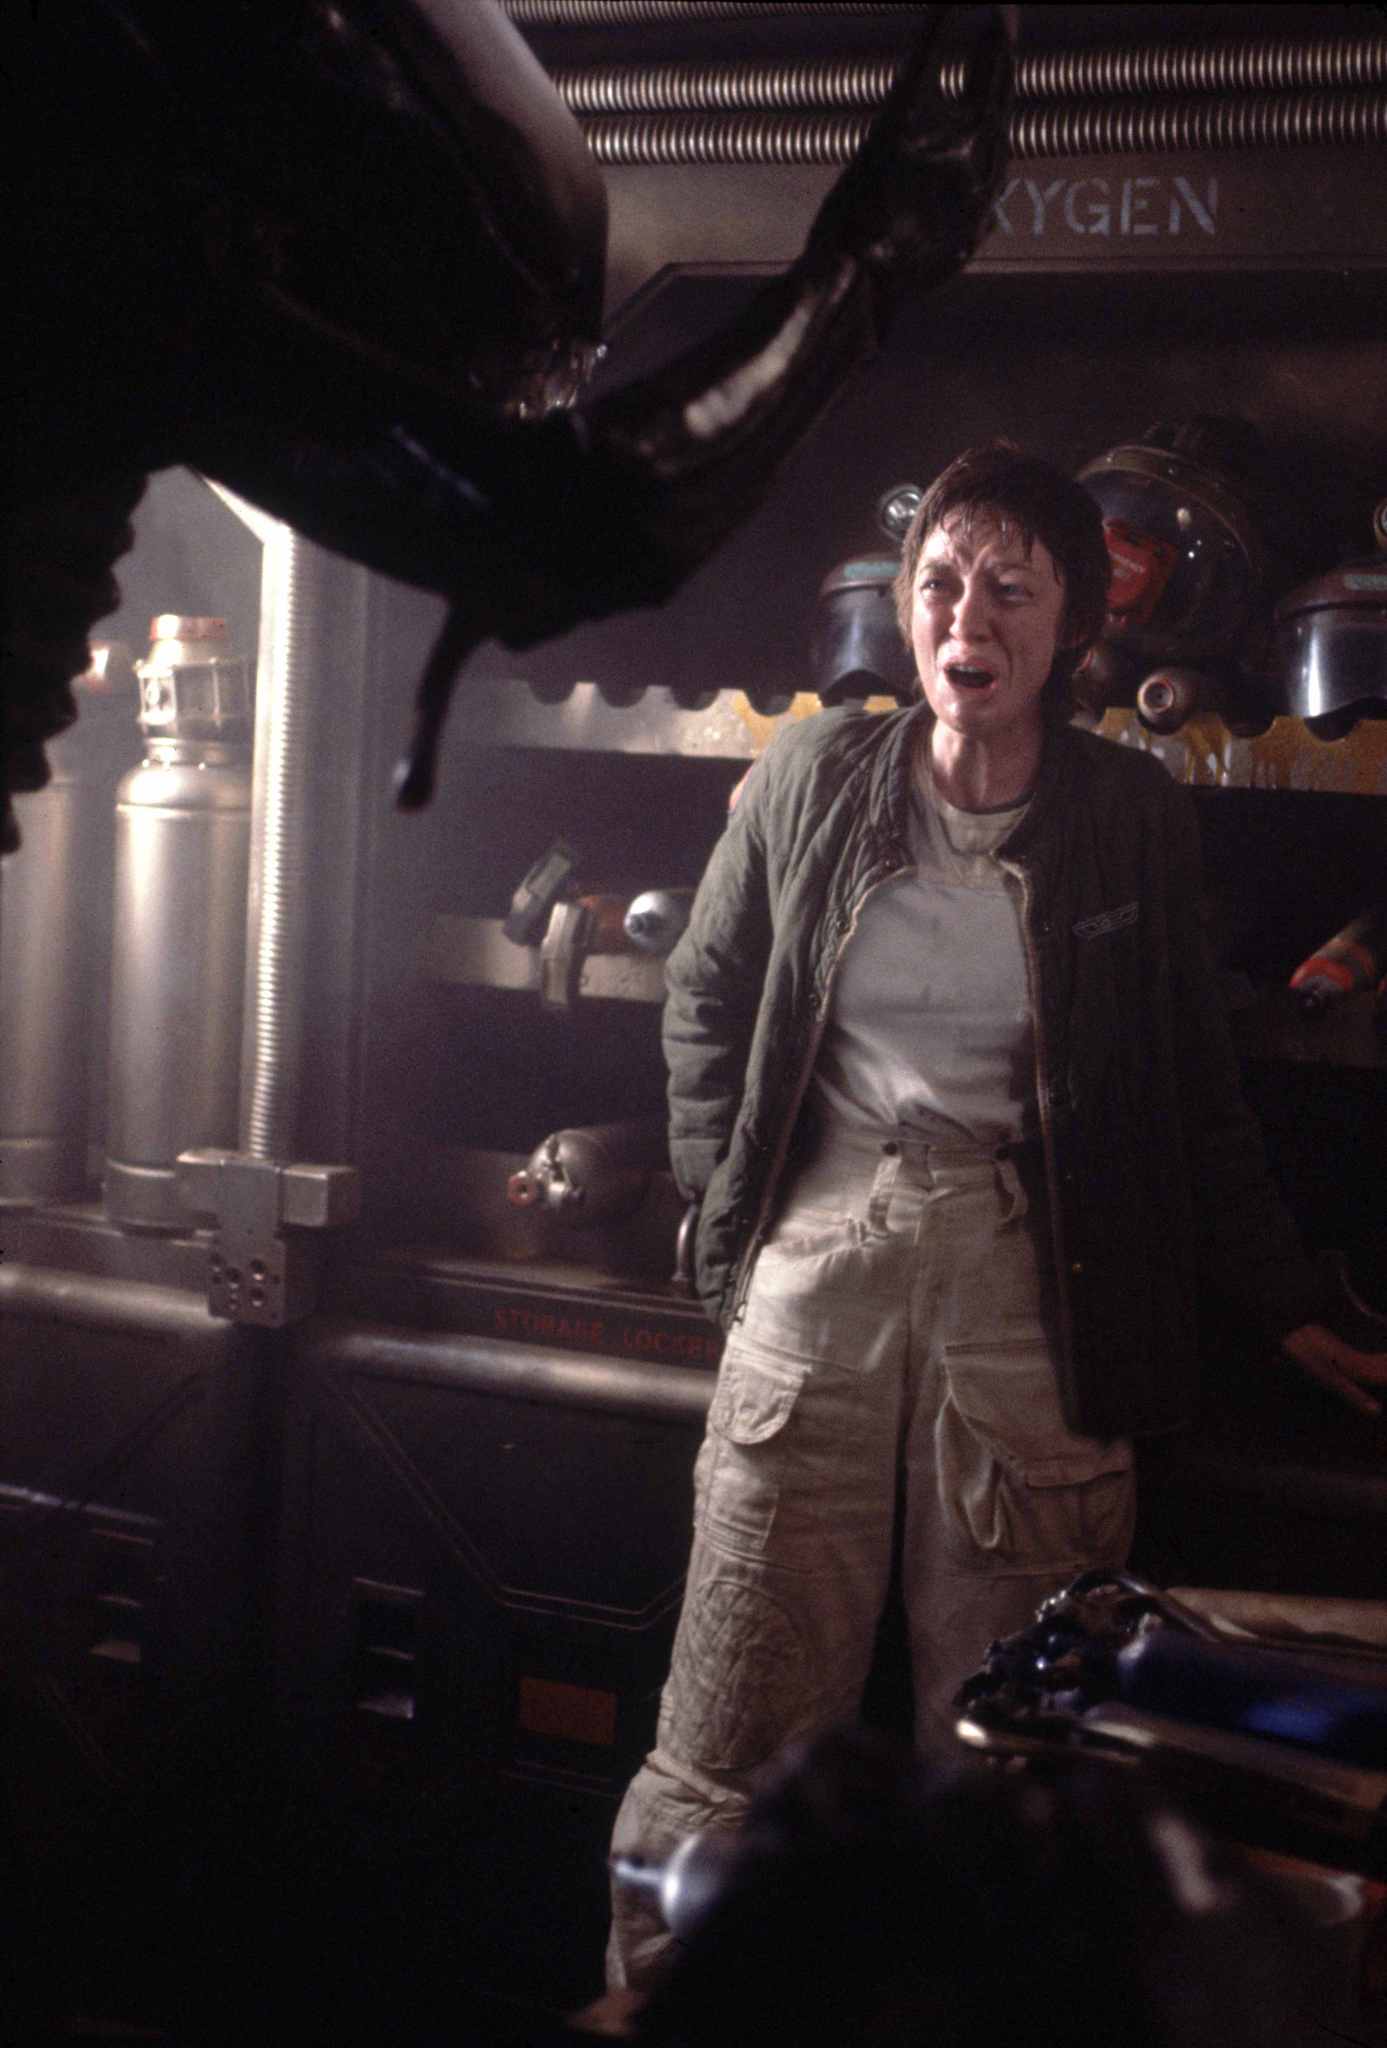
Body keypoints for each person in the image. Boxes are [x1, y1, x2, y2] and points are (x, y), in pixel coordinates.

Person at [605, 441, 1387, 1992]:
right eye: (944, 583)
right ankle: (671, 2008)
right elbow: (706, 989)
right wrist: (718, 1209)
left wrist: (1289, 1295)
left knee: (1014, 1760)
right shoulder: (813, 777)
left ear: (1074, 628)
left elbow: (1186, 1087)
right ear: (908, 609)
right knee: (731, 1747)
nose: (970, 618)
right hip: (818, 1270)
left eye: (1012, 590)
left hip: (1030, 1287)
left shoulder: (1128, 813)